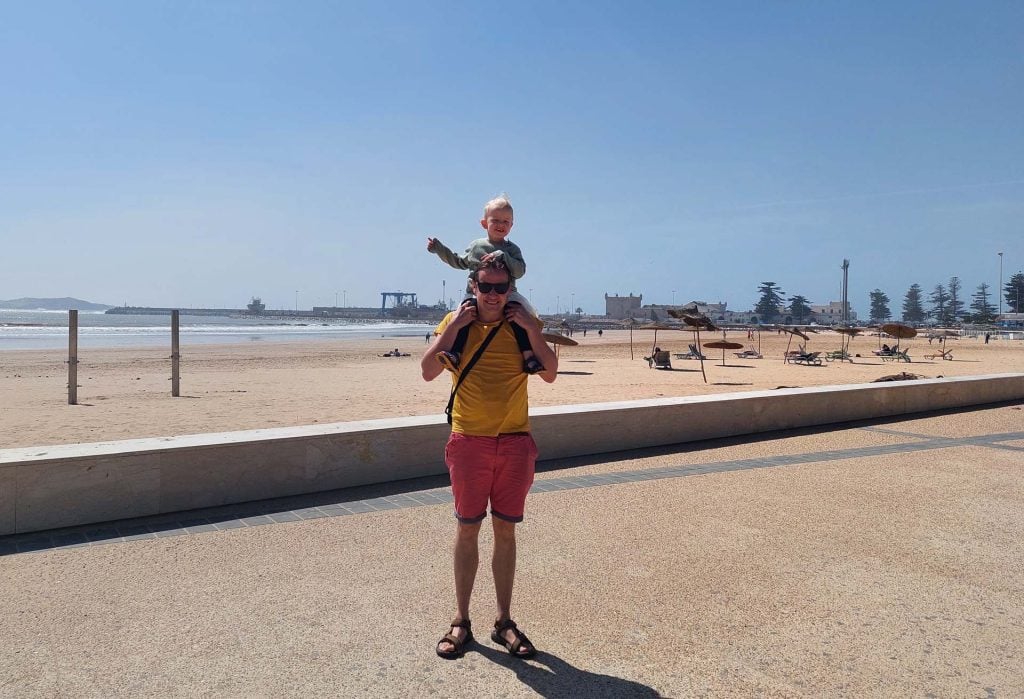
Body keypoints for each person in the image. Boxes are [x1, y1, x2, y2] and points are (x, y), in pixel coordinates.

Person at [421, 259, 558, 661]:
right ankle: (461, 621)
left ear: (510, 287)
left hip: (515, 442)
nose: (493, 295)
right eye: (486, 287)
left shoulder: (521, 324)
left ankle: (503, 622)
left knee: (506, 532)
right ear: (473, 286)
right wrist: (455, 328)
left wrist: (533, 329)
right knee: (467, 530)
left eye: (501, 288)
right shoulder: (454, 322)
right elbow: (428, 371)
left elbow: (549, 372)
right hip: (468, 443)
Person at [426, 194, 543, 374]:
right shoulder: (476, 246)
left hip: (507, 294)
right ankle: (455, 353)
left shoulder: (512, 249)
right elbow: (459, 262)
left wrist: (502, 256)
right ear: (484, 223)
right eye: (495, 220)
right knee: (464, 316)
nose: (500, 225)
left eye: (506, 221)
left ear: (512, 225)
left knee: (519, 317)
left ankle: (529, 356)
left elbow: (519, 272)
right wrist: (439, 249)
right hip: (476, 294)